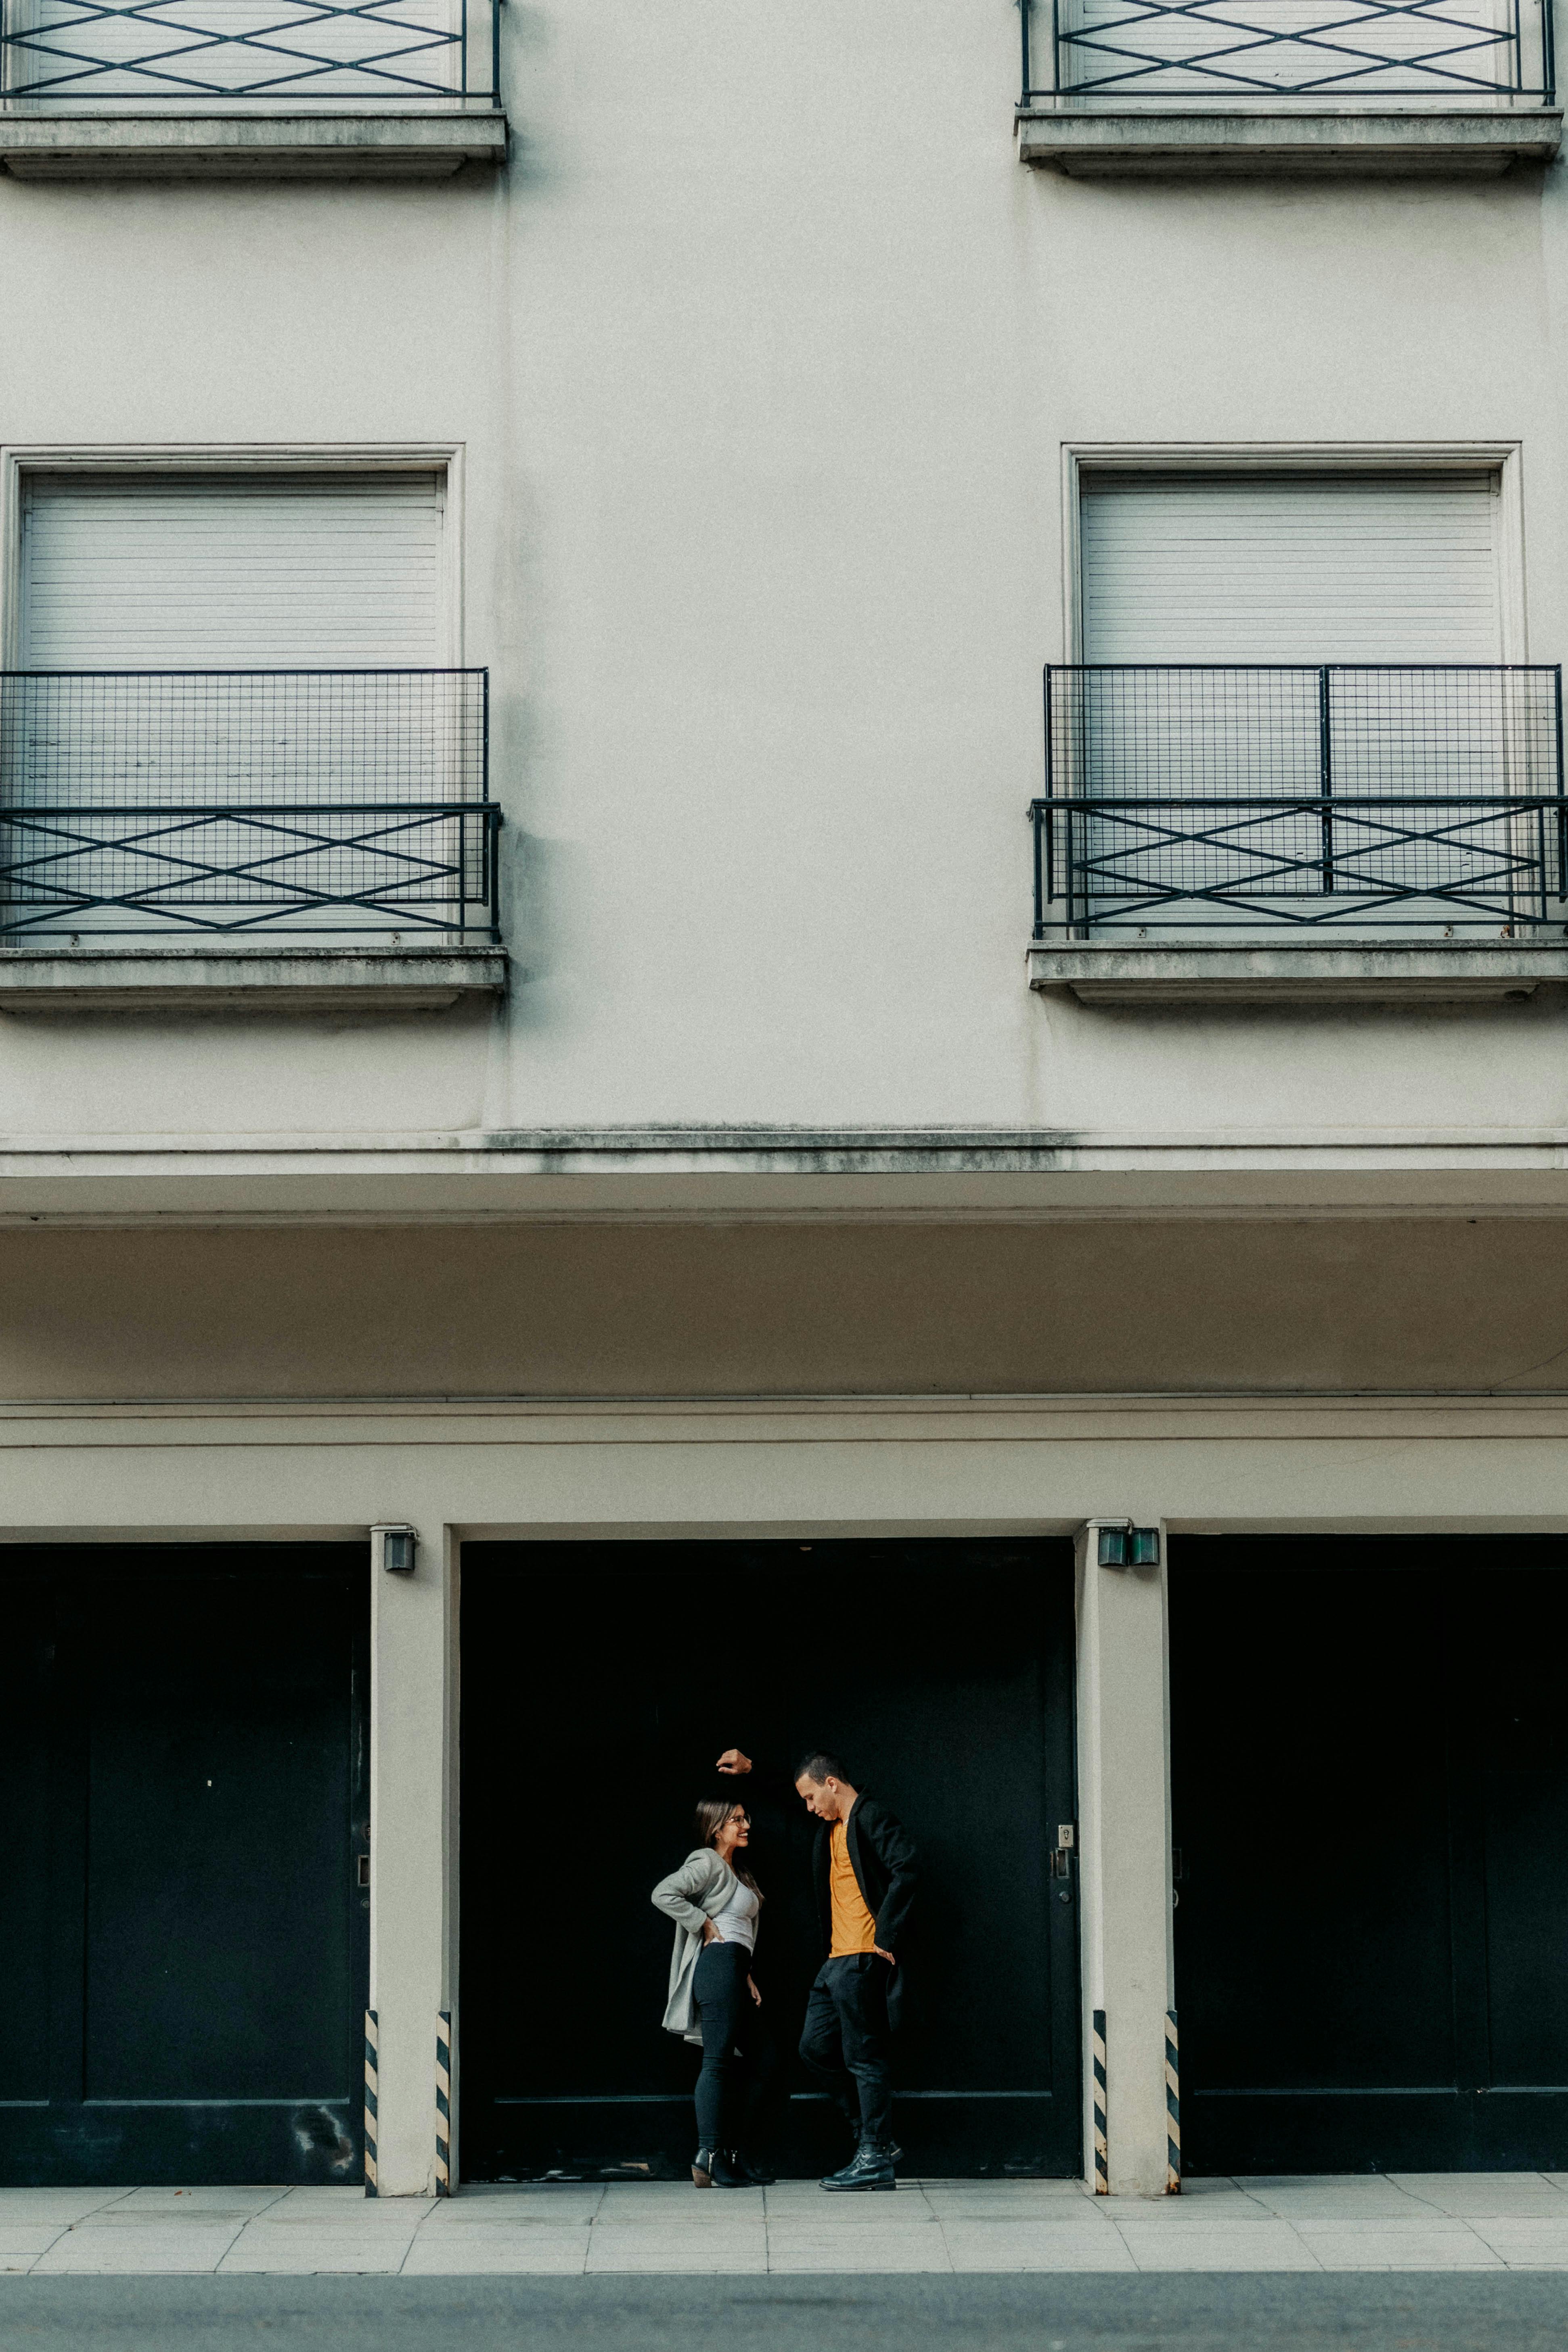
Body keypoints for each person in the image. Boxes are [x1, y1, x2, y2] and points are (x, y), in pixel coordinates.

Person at [717, 1746, 917, 2193]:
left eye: (811, 1797)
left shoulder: (871, 1816)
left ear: (832, 1783)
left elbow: (908, 1868)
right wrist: (754, 1768)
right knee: (814, 2048)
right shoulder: (832, 1824)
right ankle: (872, 2137)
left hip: (864, 1954)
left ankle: (875, 2155)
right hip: (834, 1960)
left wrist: (887, 1935)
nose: (808, 1807)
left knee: (863, 2056)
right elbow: (792, 1795)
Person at [651, 1795, 778, 2189]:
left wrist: (748, 1974)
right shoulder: (706, 1861)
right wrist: (701, 1921)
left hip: (736, 1969)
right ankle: (708, 2154)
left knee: (766, 2060)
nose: (746, 1824)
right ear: (716, 1828)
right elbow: (664, 1893)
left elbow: (742, 1930)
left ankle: (732, 2152)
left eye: (746, 1817)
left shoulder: (739, 1872)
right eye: (736, 1819)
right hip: (717, 1965)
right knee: (718, 2061)